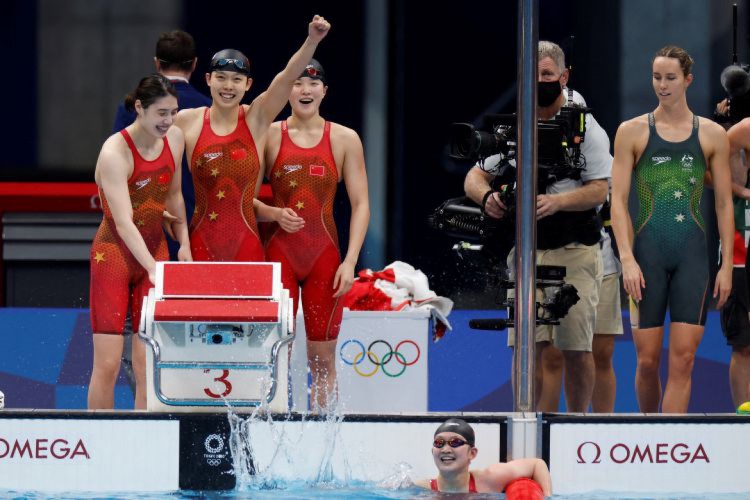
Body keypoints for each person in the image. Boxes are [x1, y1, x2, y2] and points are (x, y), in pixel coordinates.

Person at [464, 40, 610, 412]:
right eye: (533, 75)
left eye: (547, 74)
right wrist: (487, 197)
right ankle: (525, 419)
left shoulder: (586, 129)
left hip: (575, 250)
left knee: (576, 348)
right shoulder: (513, 127)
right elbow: (474, 177)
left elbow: (600, 189)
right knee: (527, 346)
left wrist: (558, 202)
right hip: (527, 252)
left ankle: (576, 424)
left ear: (564, 76)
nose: (539, 81)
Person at [611, 45, 733, 413]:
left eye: (670, 78)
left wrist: (727, 265)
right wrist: (627, 259)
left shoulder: (712, 134)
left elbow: (723, 203)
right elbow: (618, 202)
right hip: (646, 256)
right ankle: (649, 432)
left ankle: (668, 437)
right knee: (647, 361)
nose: (662, 85)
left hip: (692, 257)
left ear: (688, 80)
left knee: (684, 361)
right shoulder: (631, 132)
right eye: (656, 77)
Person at [175, 15, 330, 263]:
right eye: (221, 77)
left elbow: (288, 76)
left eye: (236, 79)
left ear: (248, 84)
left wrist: (312, 41)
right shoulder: (186, 121)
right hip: (199, 245)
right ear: (208, 79)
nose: (228, 86)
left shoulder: (256, 118)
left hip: (246, 246)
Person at [262, 59, 370, 411]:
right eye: (297, 83)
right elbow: (242, 199)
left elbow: (361, 204)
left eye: (312, 84)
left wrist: (350, 261)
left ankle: (322, 431)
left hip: (324, 258)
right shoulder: (269, 135)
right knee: (276, 354)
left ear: (325, 91)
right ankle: (272, 426)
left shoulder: (344, 138)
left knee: (322, 359)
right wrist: (274, 214)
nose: (305, 90)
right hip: (279, 255)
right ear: (287, 90)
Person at [88, 74, 191, 409]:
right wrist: (152, 267)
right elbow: (123, 221)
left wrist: (184, 244)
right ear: (139, 108)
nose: (168, 121)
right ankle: (98, 435)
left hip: (155, 251)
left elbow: (174, 195)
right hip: (114, 256)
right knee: (108, 365)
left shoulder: (175, 139)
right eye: (161, 113)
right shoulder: (114, 152)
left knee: (148, 364)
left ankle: (146, 436)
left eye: (173, 112)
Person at [414, 418, 552, 495]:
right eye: (439, 443)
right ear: (432, 451)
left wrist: (547, 497)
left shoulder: (490, 479)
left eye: (455, 442)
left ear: (472, 453)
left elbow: (537, 464)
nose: (445, 449)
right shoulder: (421, 490)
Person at [721, 118, 750, 408]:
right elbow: (710, 171)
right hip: (742, 251)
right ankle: (744, 420)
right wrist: (742, 191)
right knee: (744, 342)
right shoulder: (745, 129)